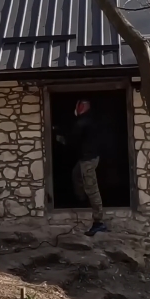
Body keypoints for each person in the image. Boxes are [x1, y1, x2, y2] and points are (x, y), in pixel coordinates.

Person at [55, 98, 109, 236]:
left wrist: (59, 137)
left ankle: (99, 222)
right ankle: (82, 200)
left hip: (88, 160)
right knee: (76, 175)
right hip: (90, 158)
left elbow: (72, 139)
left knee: (92, 189)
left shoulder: (83, 122)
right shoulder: (90, 119)